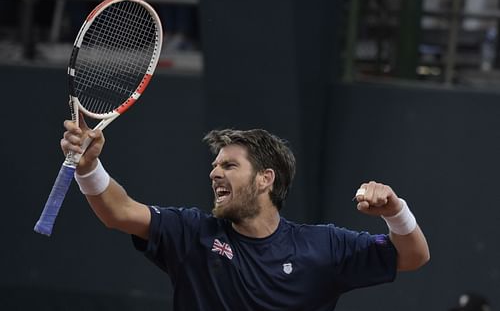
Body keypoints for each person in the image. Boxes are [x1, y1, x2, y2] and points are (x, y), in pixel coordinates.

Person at [61, 117, 430, 310]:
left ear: (265, 179)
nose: (214, 172)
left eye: (229, 165)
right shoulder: (192, 234)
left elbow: (414, 257)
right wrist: (89, 167)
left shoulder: (324, 248)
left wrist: (396, 211)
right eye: (215, 165)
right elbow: (117, 212)